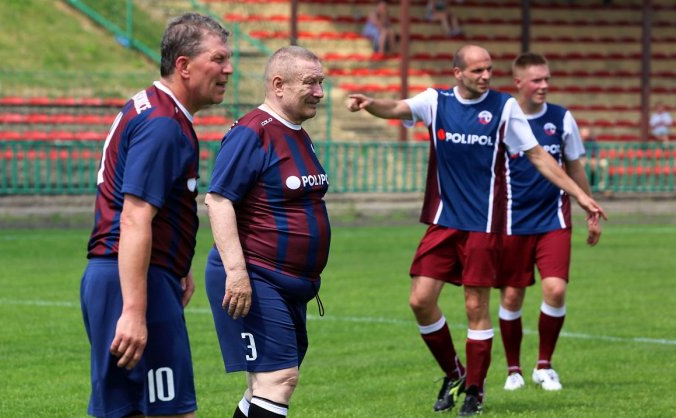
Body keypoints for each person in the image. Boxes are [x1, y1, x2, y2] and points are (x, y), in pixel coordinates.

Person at [346, 44, 606, 416]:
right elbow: (396, 108)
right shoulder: (435, 101)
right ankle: (455, 373)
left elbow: (538, 155)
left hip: (484, 226)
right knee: (420, 300)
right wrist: (370, 103)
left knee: (475, 306)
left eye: (489, 70)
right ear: (458, 73)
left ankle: (475, 391)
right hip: (443, 220)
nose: (485, 76)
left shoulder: (504, 107)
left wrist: (581, 196)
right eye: (477, 71)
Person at [79, 13, 232, 418]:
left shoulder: (152, 107)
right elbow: (134, 217)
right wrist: (134, 310)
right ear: (184, 65)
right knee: (171, 411)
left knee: (128, 411)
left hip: (133, 274)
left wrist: (176, 264)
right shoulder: (163, 124)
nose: (228, 69)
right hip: (132, 279)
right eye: (218, 59)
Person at [204, 45, 329, 418]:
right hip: (257, 276)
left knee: (264, 386)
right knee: (279, 380)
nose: (320, 92)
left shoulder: (297, 133)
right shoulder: (252, 132)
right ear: (278, 85)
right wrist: (237, 273)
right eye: (311, 83)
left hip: (293, 283)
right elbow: (218, 200)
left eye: (321, 83)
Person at [497, 52, 602, 393]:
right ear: (519, 82)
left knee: (555, 290)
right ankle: (513, 370)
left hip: (553, 219)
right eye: (537, 80)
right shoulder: (502, 119)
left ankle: (544, 366)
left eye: (547, 79)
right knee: (512, 296)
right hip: (511, 221)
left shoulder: (560, 118)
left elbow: (574, 166)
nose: (544, 85)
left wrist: (589, 207)